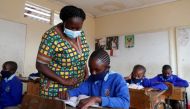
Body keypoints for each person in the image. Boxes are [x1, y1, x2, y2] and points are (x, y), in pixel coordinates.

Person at [36, 5, 90, 98]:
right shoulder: (51, 36)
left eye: (78, 28)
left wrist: (86, 69)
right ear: (64, 22)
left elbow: (80, 54)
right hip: (55, 88)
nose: (75, 31)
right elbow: (40, 65)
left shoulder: (81, 34)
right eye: (71, 27)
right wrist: (63, 81)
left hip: (76, 87)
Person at [59, 49, 130, 109]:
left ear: (107, 68)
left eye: (97, 70)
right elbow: (80, 90)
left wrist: (97, 99)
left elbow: (125, 103)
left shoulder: (117, 79)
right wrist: (69, 93)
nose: (93, 73)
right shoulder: (91, 78)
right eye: (91, 69)